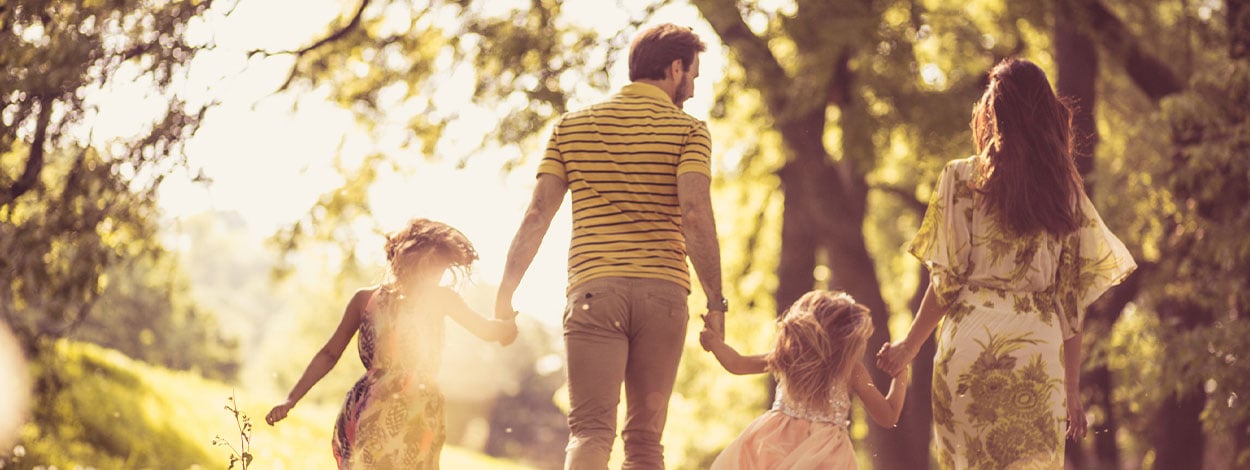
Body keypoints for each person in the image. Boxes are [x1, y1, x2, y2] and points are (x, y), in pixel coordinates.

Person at [876, 58, 1137, 469]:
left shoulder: (960, 179)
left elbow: (946, 283)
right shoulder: (1065, 193)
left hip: (968, 349)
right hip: (1036, 353)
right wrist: (1071, 390)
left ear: (993, 111)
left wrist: (909, 348)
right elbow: (1070, 302)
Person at [493, 23, 725, 469]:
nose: (693, 89)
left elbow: (537, 215)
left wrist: (505, 296)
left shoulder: (572, 127)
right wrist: (717, 303)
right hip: (663, 296)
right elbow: (695, 215)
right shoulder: (690, 131)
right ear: (675, 68)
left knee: (589, 433)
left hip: (594, 294)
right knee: (644, 442)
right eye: (693, 75)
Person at [265, 218, 518, 469]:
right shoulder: (392, 299)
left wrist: (506, 326)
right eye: (434, 270)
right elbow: (329, 353)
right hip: (395, 408)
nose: (437, 278)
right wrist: (291, 399)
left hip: (395, 407)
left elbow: (486, 330)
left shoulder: (409, 298)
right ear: (411, 263)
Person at [700, 290, 909, 470]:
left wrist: (714, 342)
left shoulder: (789, 357)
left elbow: (737, 364)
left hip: (775, 442)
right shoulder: (851, 370)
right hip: (826, 454)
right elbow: (888, 416)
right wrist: (901, 372)